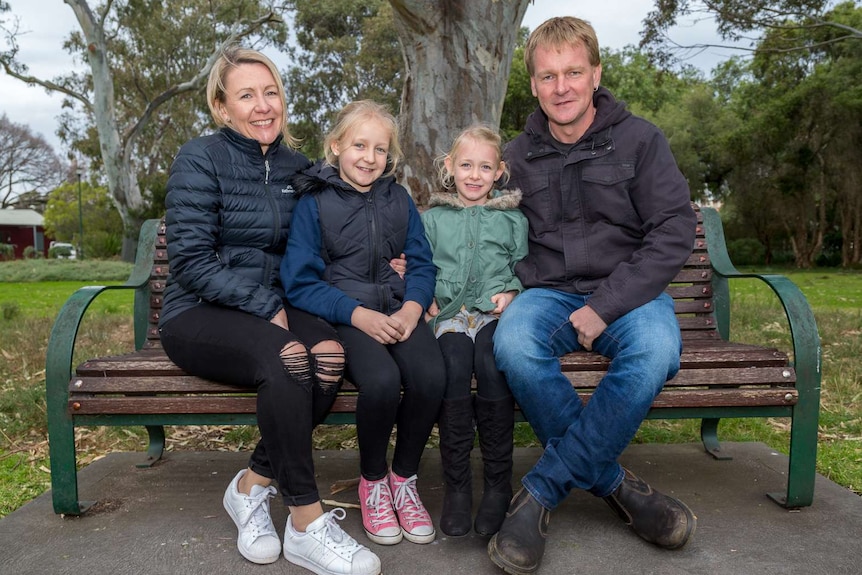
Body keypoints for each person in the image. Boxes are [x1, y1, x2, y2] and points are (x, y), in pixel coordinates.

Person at [487, 17, 699, 575]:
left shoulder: (640, 139)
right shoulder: (517, 154)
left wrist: (606, 304)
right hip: (548, 292)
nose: (562, 87)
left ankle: (540, 492)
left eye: (574, 72)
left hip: (628, 293)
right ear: (532, 84)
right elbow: (478, 222)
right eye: (549, 76)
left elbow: (674, 229)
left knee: (654, 353)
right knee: (512, 347)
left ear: (596, 74)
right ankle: (618, 487)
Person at [158, 46, 380, 575]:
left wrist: (387, 253)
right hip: (199, 312)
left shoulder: (299, 168)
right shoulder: (199, 158)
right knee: (289, 358)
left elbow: (335, 231)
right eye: (247, 95)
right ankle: (306, 521)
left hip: (275, 306)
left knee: (327, 356)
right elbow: (189, 260)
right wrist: (262, 305)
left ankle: (251, 485)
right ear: (221, 107)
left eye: (271, 92)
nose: (263, 106)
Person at [282, 100, 446, 547]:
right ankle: (373, 482)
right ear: (336, 146)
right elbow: (299, 283)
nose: (369, 158)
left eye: (379, 148)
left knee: (432, 376)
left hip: (397, 311)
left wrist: (413, 307)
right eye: (359, 145)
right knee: (381, 381)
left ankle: (403, 480)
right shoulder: (314, 203)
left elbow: (422, 264)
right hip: (346, 316)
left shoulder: (398, 198)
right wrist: (357, 315)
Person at [421, 124, 528, 538]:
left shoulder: (512, 219)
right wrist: (424, 295)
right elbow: (420, 263)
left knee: (491, 362)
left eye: (485, 167)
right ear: (450, 166)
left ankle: (499, 485)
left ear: (499, 171)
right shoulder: (433, 219)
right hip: (448, 314)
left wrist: (514, 292)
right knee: (453, 362)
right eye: (465, 165)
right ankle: (458, 488)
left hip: (491, 314)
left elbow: (525, 267)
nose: (474, 175)